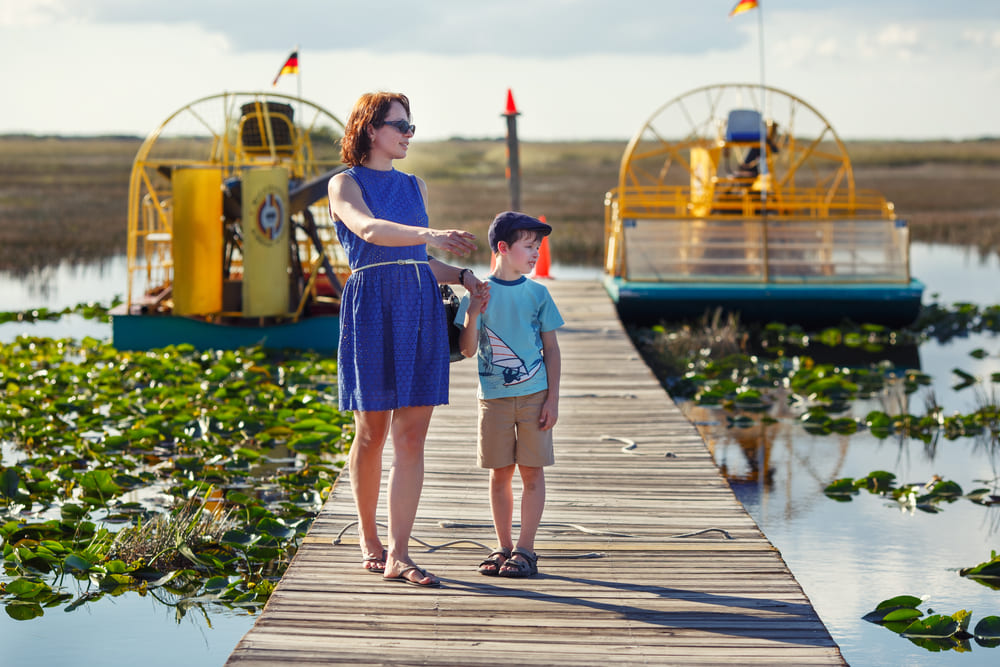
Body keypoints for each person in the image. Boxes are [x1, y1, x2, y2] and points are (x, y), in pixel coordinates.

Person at [327, 92, 490, 587]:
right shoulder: (344, 183)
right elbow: (371, 230)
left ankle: (400, 553)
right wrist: (432, 232)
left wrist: (462, 275)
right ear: (370, 130)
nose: (409, 134)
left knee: (412, 436)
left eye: (411, 126)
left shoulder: (415, 184)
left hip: (418, 304)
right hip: (372, 304)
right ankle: (368, 539)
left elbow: (418, 260)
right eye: (400, 125)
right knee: (372, 432)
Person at [455, 211, 564, 578]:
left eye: (538, 248)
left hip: (535, 397)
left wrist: (553, 400)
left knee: (532, 473)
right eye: (529, 247)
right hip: (494, 399)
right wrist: (473, 311)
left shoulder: (539, 293)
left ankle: (526, 550)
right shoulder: (479, 291)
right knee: (500, 474)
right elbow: (468, 350)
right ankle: (502, 546)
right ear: (503, 248)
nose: (535, 254)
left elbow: (551, 350)